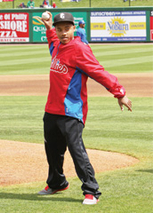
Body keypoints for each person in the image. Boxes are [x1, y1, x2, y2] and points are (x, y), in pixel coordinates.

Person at [38, 12, 132, 205]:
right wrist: (49, 27)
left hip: (71, 111)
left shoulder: (79, 49)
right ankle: (57, 183)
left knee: (76, 150)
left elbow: (98, 71)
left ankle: (91, 190)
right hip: (52, 109)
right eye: (59, 29)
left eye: (67, 29)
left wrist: (119, 93)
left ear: (74, 28)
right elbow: (52, 42)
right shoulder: (56, 46)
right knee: (53, 151)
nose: (63, 33)